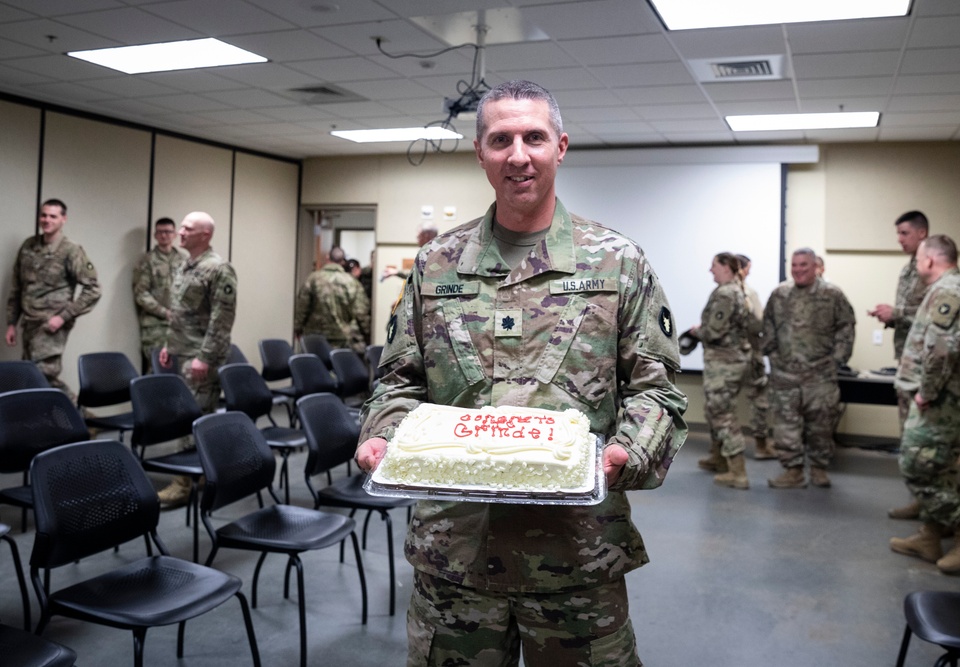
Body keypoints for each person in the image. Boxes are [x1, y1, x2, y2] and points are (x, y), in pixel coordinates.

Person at [355, 80, 687, 666]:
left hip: (576, 553)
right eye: (500, 139)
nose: (518, 155)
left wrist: (626, 453)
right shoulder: (436, 265)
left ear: (560, 146)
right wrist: (382, 431)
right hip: (455, 555)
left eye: (533, 137)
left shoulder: (617, 261)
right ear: (480, 152)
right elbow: (400, 377)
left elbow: (655, 389)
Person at [889, 235, 960, 573]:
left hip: (942, 401)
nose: (915, 264)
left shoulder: (949, 291)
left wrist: (927, 392)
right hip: (945, 398)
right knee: (940, 467)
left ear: (930, 260)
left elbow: (942, 349)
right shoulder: (950, 287)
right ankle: (930, 536)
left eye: (918, 258)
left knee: (916, 465)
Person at [156, 211, 237, 507]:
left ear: (205, 235)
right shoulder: (185, 265)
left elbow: (221, 319)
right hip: (183, 351)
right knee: (192, 415)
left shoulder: (218, 269)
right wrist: (168, 343)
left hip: (201, 358)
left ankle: (184, 482)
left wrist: (204, 357)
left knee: (193, 417)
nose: (180, 232)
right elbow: (179, 312)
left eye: (188, 228)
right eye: (182, 226)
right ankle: (203, 472)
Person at [762, 248, 855, 489]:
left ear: (815, 266)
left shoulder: (832, 294)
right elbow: (768, 325)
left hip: (820, 375)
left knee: (821, 426)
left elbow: (846, 327)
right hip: (785, 374)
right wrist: (771, 354)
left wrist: (837, 359)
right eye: (795, 265)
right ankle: (792, 471)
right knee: (785, 425)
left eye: (804, 265)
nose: (798, 269)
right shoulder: (779, 294)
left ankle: (818, 469)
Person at [867, 211, 930, 520]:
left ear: (921, 233)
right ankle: (919, 499)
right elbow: (911, 314)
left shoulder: (931, 265)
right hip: (907, 361)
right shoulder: (910, 268)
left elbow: (931, 310)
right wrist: (890, 316)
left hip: (923, 366)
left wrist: (897, 313)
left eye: (904, 233)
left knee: (921, 438)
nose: (899, 239)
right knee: (908, 436)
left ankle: (931, 505)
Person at [5, 199, 101, 399]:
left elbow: (93, 289)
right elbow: (18, 287)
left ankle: (78, 418)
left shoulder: (71, 250)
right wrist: (12, 323)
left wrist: (63, 317)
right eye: (44, 215)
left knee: (43, 374)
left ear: (63, 219)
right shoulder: (29, 246)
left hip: (51, 324)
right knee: (31, 374)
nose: (47, 220)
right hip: (30, 323)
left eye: (53, 216)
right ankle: (54, 423)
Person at [689, 252, 752, 489]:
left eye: (714, 265)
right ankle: (719, 459)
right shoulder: (736, 289)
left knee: (723, 415)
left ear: (726, 266)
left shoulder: (727, 293)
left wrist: (697, 332)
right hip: (727, 362)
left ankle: (738, 472)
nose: (710, 270)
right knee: (714, 410)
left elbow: (714, 331)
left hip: (725, 364)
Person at [132, 217, 187, 373]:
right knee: (157, 368)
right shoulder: (147, 261)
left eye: (168, 232)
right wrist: (165, 313)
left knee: (180, 369)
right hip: (155, 326)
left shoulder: (184, 260)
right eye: (160, 232)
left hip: (180, 325)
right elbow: (141, 294)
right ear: (155, 235)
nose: (164, 235)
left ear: (175, 234)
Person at [294, 246, 370, 354]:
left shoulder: (313, 279)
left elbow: (302, 306)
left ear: (327, 257)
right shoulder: (352, 282)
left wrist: (298, 328)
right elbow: (361, 312)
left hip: (315, 337)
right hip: (342, 337)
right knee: (339, 367)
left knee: (315, 368)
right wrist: (366, 333)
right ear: (343, 261)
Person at [736, 253, 776, 460]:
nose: (749, 273)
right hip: (751, 354)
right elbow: (758, 323)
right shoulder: (748, 293)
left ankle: (720, 451)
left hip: (732, 357)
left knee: (722, 403)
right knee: (759, 400)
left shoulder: (724, 292)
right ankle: (761, 445)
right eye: (748, 268)